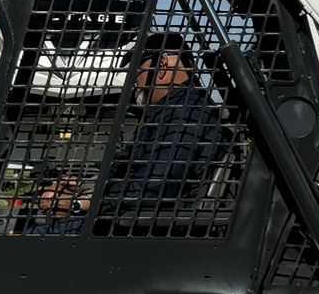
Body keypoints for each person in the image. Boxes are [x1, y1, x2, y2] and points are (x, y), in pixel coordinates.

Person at [30, 33, 232, 231]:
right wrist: (81, 186)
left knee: (35, 235)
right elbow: (125, 166)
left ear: (161, 64)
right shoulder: (165, 115)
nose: (135, 80)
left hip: (150, 231)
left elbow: (153, 190)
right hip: (133, 223)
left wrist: (79, 204)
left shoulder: (185, 115)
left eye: (138, 69)